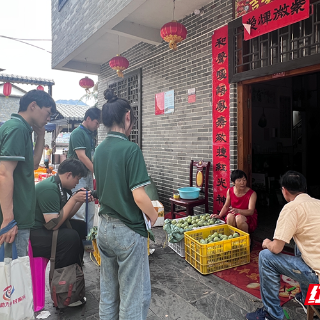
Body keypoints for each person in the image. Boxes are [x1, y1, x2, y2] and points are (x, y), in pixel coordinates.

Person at [94, 89, 158, 320]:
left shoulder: (99, 150)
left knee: (108, 292)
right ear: (128, 117)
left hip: (104, 229)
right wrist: (153, 215)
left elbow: (100, 189)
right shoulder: (131, 149)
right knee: (133, 295)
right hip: (128, 231)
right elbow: (139, 196)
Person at [246, 171, 320, 320]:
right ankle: (310, 301)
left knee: (266, 257)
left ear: (284, 190)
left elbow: (277, 248)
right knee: (300, 246)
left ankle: (271, 314)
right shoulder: (317, 203)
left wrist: (266, 243)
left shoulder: (291, 208)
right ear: (304, 188)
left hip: (316, 274)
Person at [0, 90, 56, 257]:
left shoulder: (21, 128)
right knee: (11, 276)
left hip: (18, 215)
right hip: (14, 217)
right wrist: (9, 218)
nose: (48, 119)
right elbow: (4, 173)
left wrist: (40, 136)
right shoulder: (17, 129)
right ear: (33, 106)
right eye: (47, 113)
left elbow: (32, 165)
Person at [30, 158, 92, 307]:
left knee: (80, 227)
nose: (77, 182)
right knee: (69, 238)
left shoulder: (60, 186)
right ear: (69, 175)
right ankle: (64, 291)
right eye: (77, 178)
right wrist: (73, 200)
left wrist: (79, 201)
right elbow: (53, 225)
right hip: (35, 235)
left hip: (45, 229)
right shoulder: (49, 189)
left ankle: (75, 278)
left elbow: (66, 216)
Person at [67, 107, 101, 239]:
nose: (97, 126)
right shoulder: (78, 133)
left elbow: (91, 156)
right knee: (79, 209)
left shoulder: (89, 134)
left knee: (90, 206)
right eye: (96, 123)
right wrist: (97, 172)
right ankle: (79, 238)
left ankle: (88, 237)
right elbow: (81, 156)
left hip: (87, 175)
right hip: (77, 176)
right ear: (88, 119)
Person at [211, 169, 257, 234]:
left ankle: (245, 238)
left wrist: (238, 211)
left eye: (244, 180)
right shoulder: (230, 191)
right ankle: (233, 237)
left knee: (239, 218)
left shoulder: (252, 193)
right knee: (230, 216)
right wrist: (220, 215)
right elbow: (226, 205)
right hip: (235, 213)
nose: (242, 183)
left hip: (247, 216)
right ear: (233, 182)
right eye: (239, 180)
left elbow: (251, 211)